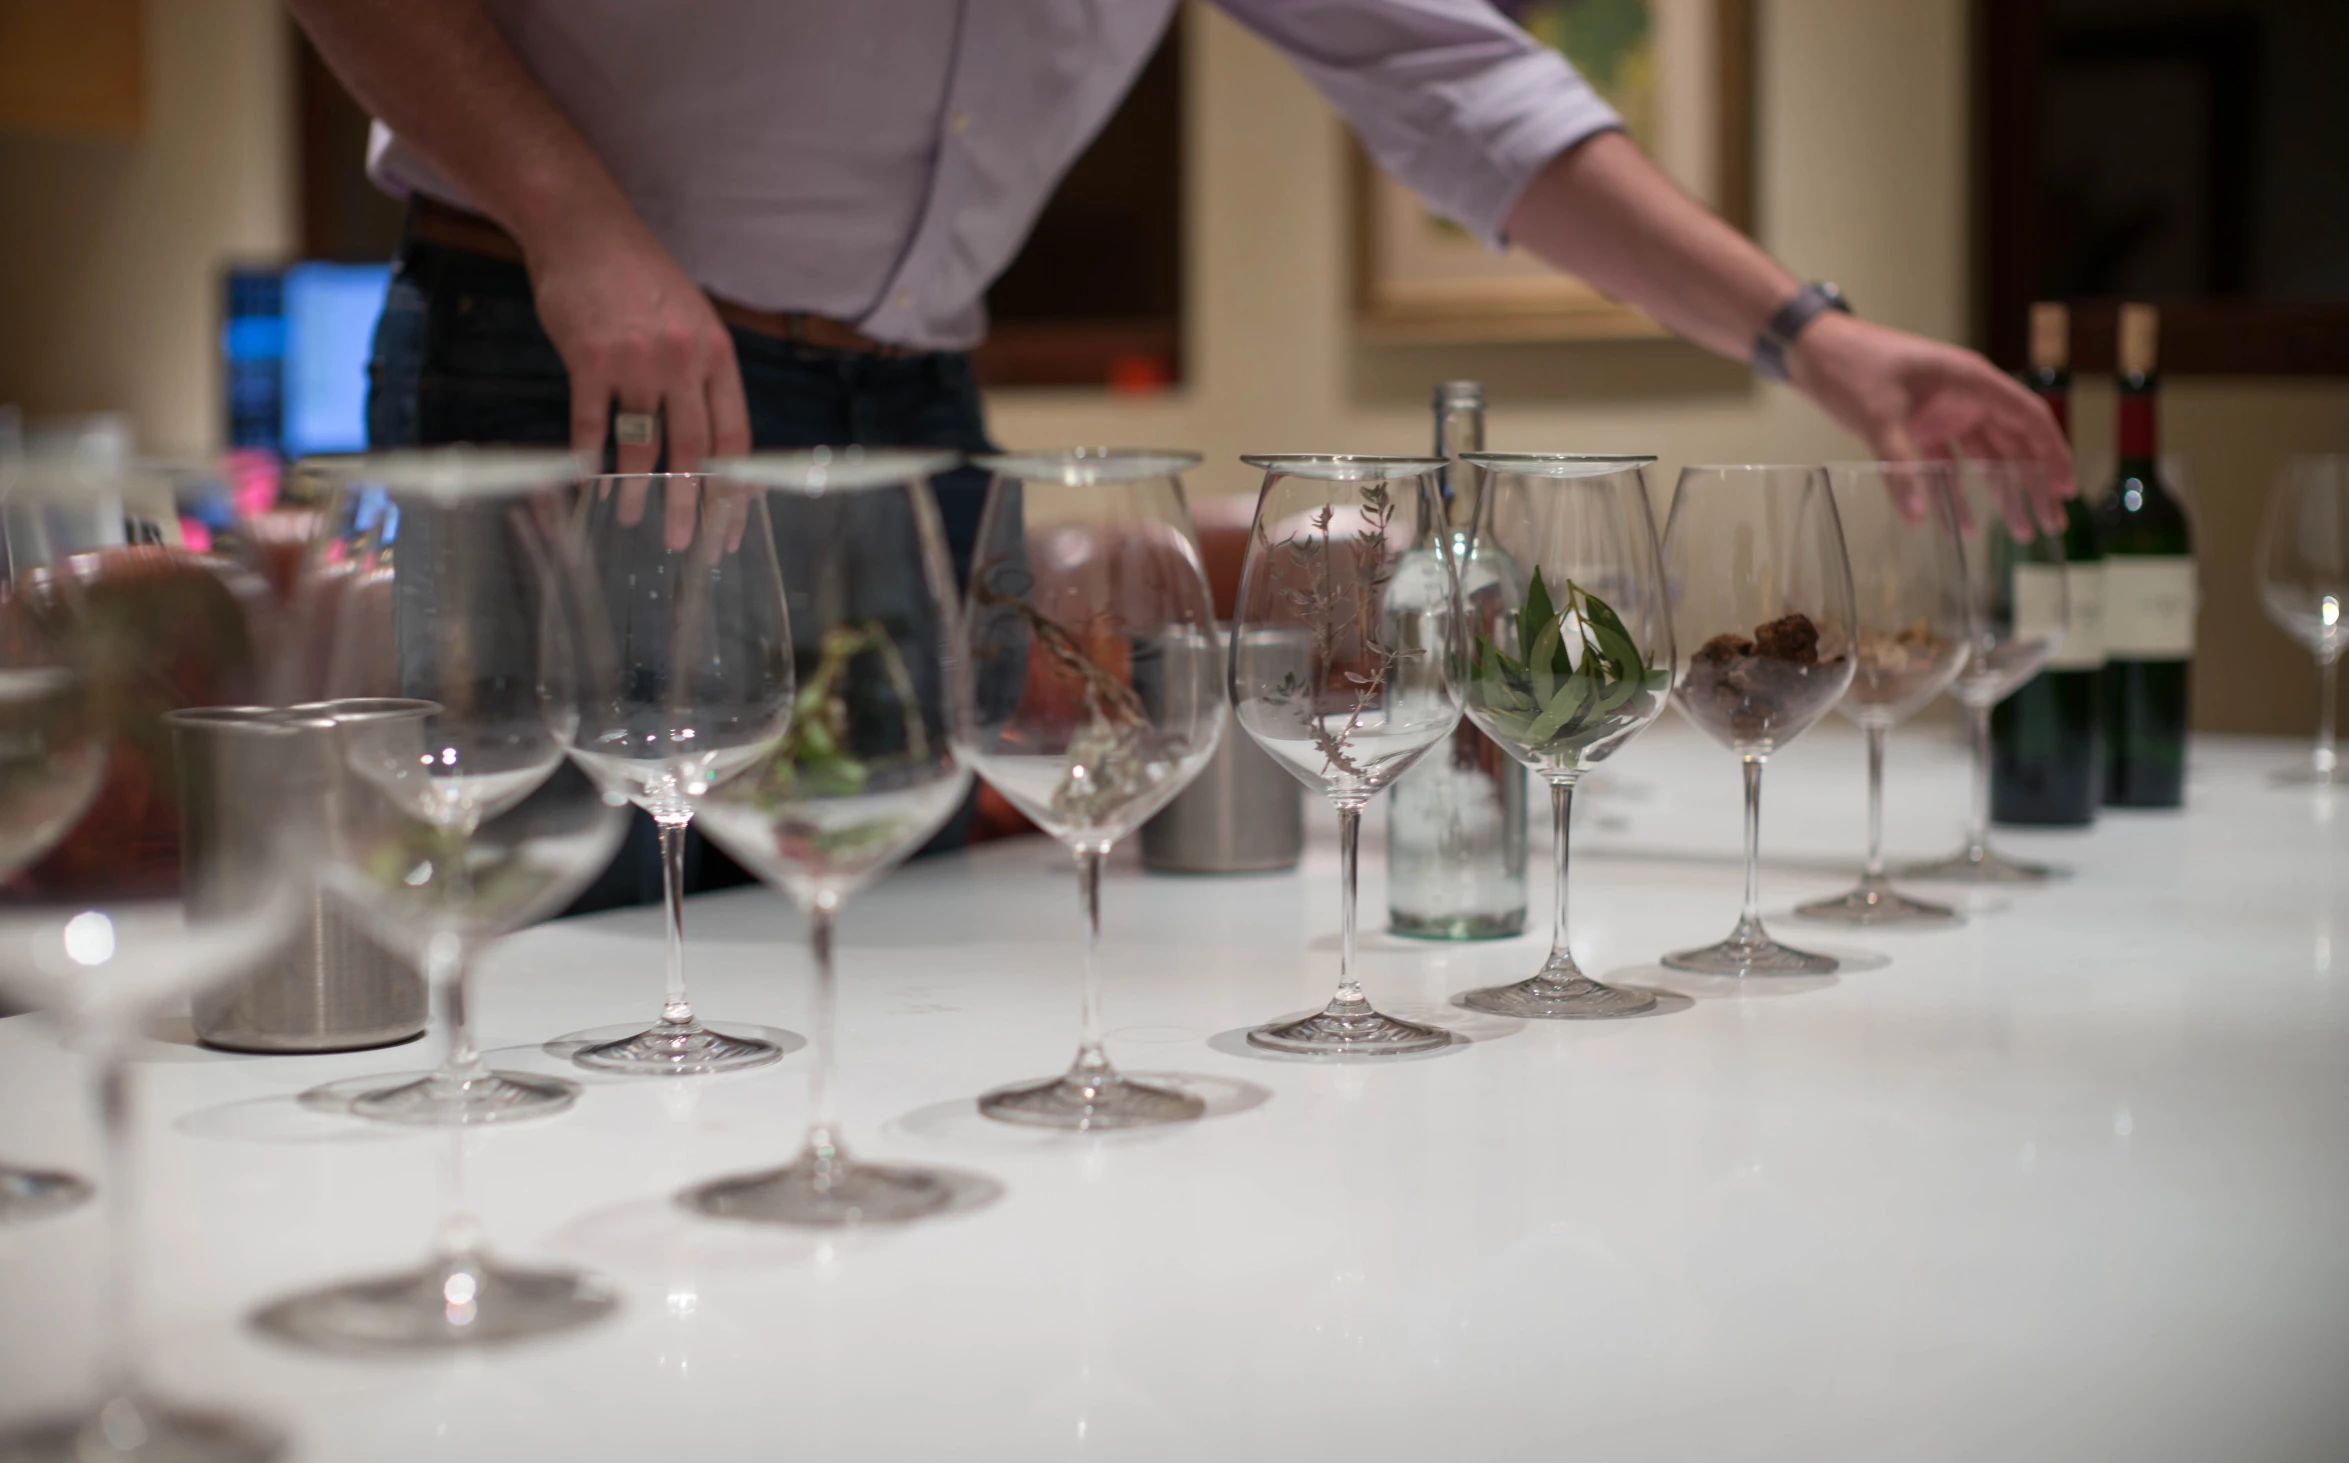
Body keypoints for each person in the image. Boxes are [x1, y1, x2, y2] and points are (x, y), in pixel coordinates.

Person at [292, 0, 2071, 900]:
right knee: (568, 930)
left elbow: (1469, 91)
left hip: (911, 413)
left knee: (869, 926)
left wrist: (1817, 345)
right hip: (573, 352)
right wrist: (571, 220)